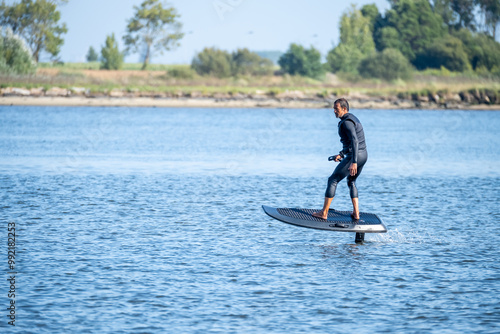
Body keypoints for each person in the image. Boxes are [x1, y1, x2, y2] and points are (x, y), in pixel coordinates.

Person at [312, 98, 368, 221]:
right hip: (363, 155)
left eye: (336, 109)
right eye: (333, 109)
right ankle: (356, 213)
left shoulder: (347, 122)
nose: (334, 111)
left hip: (355, 156)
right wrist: (342, 154)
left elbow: (355, 141)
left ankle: (324, 213)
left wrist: (353, 162)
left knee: (332, 180)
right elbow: (352, 143)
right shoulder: (353, 118)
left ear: (344, 109)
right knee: (351, 182)